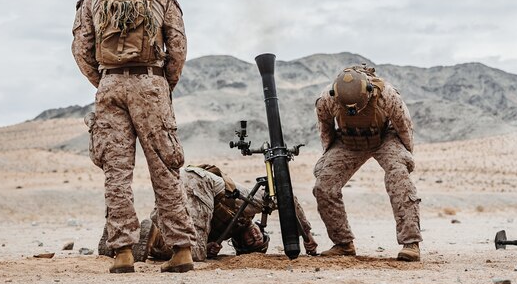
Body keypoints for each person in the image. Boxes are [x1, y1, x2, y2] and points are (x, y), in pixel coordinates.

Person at [72, 0, 196, 274]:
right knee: (165, 167)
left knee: (116, 171)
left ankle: (123, 252)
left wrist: (105, 81)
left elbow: (81, 49)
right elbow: (178, 48)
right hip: (151, 84)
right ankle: (182, 249)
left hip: (110, 86)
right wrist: (160, 85)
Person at [95, 160, 318, 261]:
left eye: (252, 244)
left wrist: (210, 247)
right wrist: (306, 234)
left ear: (239, 245)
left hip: (178, 198)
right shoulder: (251, 205)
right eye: (261, 238)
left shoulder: (221, 236)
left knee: (175, 245)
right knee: (194, 254)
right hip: (199, 182)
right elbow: (285, 195)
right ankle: (147, 236)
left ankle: (119, 239)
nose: (255, 237)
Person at [312, 64, 421, 261]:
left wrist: (405, 159)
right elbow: (325, 130)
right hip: (348, 140)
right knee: (324, 185)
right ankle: (343, 244)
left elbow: (403, 126)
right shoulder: (326, 99)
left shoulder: (386, 94)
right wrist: (328, 161)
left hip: (383, 137)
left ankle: (410, 243)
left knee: (400, 178)